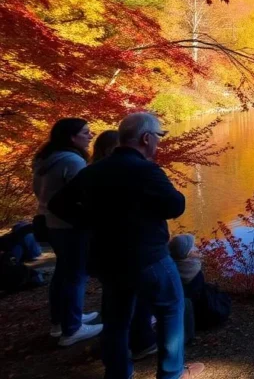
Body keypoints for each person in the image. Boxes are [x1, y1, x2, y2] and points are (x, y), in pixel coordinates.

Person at [50, 113, 204, 379]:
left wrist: (92, 221)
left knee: (116, 320)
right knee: (170, 309)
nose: (159, 143)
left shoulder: (94, 170)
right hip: (148, 257)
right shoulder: (145, 170)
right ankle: (171, 373)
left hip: (107, 258)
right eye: (158, 137)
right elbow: (175, 206)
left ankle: (118, 373)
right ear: (146, 138)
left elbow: (58, 205)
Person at [32, 118, 102, 345]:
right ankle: (72, 329)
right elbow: (85, 195)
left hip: (50, 223)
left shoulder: (46, 160)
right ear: (72, 137)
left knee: (62, 273)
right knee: (75, 275)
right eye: (85, 132)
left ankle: (59, 322)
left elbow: (39, 193)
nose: (91, 135)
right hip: (70, 225)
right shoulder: (72, 161)